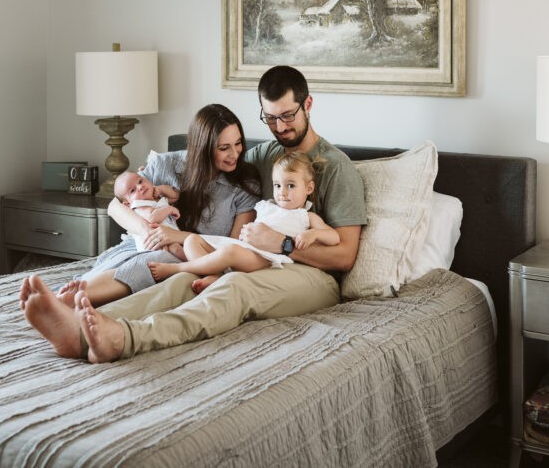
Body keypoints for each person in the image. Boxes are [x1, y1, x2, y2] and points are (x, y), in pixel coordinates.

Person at [20, 66, 366, 363]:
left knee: (233, 287)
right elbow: (205, 153)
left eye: (288, 116)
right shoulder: (264, 155)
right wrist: (146, 182)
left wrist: (284, 244)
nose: (280, 127)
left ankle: (125, 338)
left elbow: (345, 256)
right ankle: (83, 324)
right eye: (270, 118)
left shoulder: (337, 167)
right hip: (255, 258)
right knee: (186, 280)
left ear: (307, 104)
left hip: (311, 276)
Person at [34, 103, 260, 309]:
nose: (235, 154)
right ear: (202, 147)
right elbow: (116, 206)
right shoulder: (164, 164)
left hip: (191, 256)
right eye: (224, 148)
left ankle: (74, 300)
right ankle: (75, 291)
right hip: (143, 241)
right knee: (116, 258)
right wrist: (147, 231)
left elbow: (233, 248)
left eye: (238, 143)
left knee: (148, 264)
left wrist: (174, 236)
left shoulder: (244, 185)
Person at [148, 151, 339, 284]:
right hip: (244, 248)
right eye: (277, 185)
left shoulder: (306, 216)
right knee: (191, 241)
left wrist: (313, 235)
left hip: (266, 258)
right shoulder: (267, 205)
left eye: (290, 185)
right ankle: (214, 276)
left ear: (309, 188)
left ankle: (180, 269)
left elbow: (334, 237)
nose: (282, 192)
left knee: (229, 251)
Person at [112, 170, 185, 257]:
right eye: (132, 191)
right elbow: (152, 218)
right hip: (154, 244)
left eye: (140, 181)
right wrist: (169, 209)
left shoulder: (156, 199)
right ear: (128, 203)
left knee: (186, 247)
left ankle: (196, 264)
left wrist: (160, 189)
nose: (140, 186)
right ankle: (191, 265)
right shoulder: (138, 205)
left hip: (169, 237)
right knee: (176, 249)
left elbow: (176, 196)